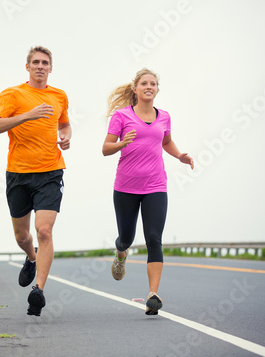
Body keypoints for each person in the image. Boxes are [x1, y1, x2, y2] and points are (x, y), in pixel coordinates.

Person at [0, 46, 71, 317]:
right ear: (27, 67)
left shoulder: (59, 96)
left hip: (50, 171)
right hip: (19, 174)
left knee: (44, 230)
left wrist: (67, 136)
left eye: (45, 62)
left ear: (50, 67)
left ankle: (38, 290)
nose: (40, 66)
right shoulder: (13, 94)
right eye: (35, 62)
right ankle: (31, 257)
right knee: (22, 235)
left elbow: (64, 123)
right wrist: (27, 115)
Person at [102, 68, 193, 315]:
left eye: (153, 83)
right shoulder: (121, 116)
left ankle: (152, 294)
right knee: (127, 237)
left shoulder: (164, 116)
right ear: (135, 89)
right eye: (144, 83)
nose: (149, 86)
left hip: (155, 186)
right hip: (126, 187)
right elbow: (106, 148)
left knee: (154, 238)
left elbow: (165, 142)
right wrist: (121, 143)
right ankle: (121, 252)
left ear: (157, 89)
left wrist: (180, 155)